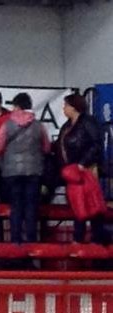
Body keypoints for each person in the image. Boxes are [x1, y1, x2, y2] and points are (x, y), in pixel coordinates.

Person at [0, 93, 50, 244]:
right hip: (34, 172)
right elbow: (46, 148)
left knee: (16, 207)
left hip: (12, 173)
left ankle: (15, 242)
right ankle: (31, 243)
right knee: (31, 207)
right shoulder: (39, 126)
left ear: (16, 106)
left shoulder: (7, 125)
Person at [57, 93, 109, 244]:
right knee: (77, 203)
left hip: (86, 169)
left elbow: (96, 144)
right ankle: (80, 236)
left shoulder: (87, 122)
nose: (64, 109)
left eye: (66, 105)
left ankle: (95, 236)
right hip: (72, 172)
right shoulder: (67, 126)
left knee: (91, 202)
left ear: (74, 107)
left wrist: (83, 163)